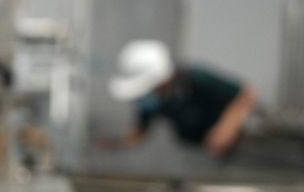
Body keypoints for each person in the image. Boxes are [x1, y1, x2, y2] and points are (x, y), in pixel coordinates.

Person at [100, 40, 257, 157]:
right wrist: (115, 143)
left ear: (163, 80)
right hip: (205, 153)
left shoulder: (196, 78)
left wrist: (226, 128)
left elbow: (246, 94)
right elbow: (140, 132)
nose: (144, 96)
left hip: (245, 142)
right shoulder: (151, 102)